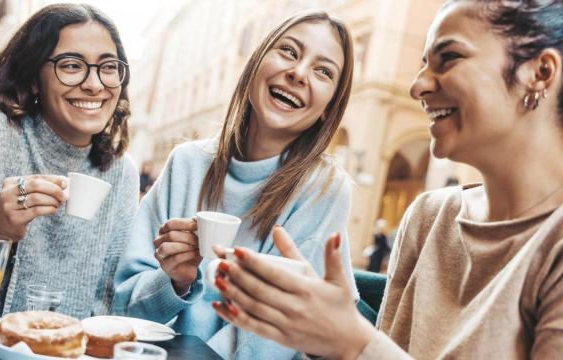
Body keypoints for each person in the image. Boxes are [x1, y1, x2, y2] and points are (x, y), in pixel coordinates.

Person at [211, 1, 563, 358]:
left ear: (540, 71)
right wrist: (314, 333)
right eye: (423, 63)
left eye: (450, 57)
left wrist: (350, 341)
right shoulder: (429, 215)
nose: (418, 86)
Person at [113, 11, 358, 359]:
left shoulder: (324, 189)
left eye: (323, 71)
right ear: (256, 63)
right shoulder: (186, 163)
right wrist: (174, 282)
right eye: (289, 51)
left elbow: (279, 340)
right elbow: (124, 309)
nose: (298, 73)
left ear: (328, 108)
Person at [0, 4, 139, 318]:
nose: (94, 84)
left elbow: (113, 304)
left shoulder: (122, 172)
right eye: (71, 65)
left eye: (108, 67)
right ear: (35, 77)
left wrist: (175, 279)